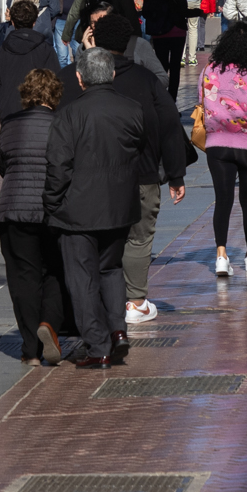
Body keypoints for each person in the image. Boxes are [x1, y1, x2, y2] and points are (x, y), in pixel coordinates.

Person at [43, 47, 149, 367]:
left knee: (82, 278)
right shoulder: (132, 110)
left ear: (79, 78)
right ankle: (117, 330)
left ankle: (98, 343)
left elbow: (58, 166)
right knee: (111, 269)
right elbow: (137, 153)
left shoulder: (68, 114)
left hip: (78, 210)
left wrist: (51, 202)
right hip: (118, 207)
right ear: (112, 74)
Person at [90, 11, 187, 325]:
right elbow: (171, 126)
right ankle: (135, 301)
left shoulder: (82, 78)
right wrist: (175, 174)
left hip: (95, 174)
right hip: (142, 171)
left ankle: (100, 297)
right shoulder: (147, 80)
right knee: (139, 237)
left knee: (101, 236)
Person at [0, 67, 68, 365]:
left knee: (23, 278)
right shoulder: (62, 123)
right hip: (52, 211)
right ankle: (48, 322)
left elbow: (2, 163)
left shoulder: (9, 124)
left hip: (13, 209)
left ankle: (29, 350)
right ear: (56, 94)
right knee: (55, 270)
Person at [201, 25, 247, 276]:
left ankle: (221, 255)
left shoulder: (209, 71)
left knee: (222, 200)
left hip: (217, 145)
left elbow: (204, 100)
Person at [0, 0, 59, 118]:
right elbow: (55, 84)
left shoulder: (2, 52)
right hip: (38, 114)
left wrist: (3, 107)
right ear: (34, 22)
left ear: (13, 22)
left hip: (9, 114)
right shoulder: (46, 50)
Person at [142, 0, 190, 96]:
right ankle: (172, 99)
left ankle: (161, 97)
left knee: (161, 66)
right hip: (177, 31)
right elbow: (183, 9)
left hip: (159, 32)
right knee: (175, 67)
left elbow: (146, 12)